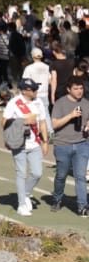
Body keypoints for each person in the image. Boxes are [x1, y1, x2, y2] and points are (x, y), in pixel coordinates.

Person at [3, 78, 49, 217]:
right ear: (24, 91)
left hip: (34, 143)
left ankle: (26, 193)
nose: (36, 91)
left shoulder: (38, 102)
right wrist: (23, 121)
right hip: (19, 144)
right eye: (33, 89)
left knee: (37, 173)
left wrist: (45, 141)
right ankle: (21, 204)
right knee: (21, 174)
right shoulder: (14, 103)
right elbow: (4, 122)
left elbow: (42, 122)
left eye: (36, 88)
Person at [49, 75, 89, 216]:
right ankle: (57, 199)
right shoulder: (60, 104)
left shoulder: (86, 103)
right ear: (68, 89)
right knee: (61, 175)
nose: (79, 91)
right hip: (62, 145)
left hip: (82, 144)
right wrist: (70, 116)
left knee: (80, 176)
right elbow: (54, 125)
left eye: (81, 88)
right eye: (76, 88)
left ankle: (82, 206)